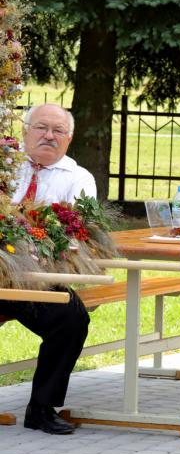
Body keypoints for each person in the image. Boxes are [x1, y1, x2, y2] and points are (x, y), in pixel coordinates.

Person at [0, 103, 94, 434]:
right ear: (25, 131)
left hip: (33, 278)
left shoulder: (78, 178)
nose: (49, 136)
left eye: (58, 131)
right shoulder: (6, 167)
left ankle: (41, 408)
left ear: (69, 139)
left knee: (71, 318)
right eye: (41, 128)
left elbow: (80, 232)